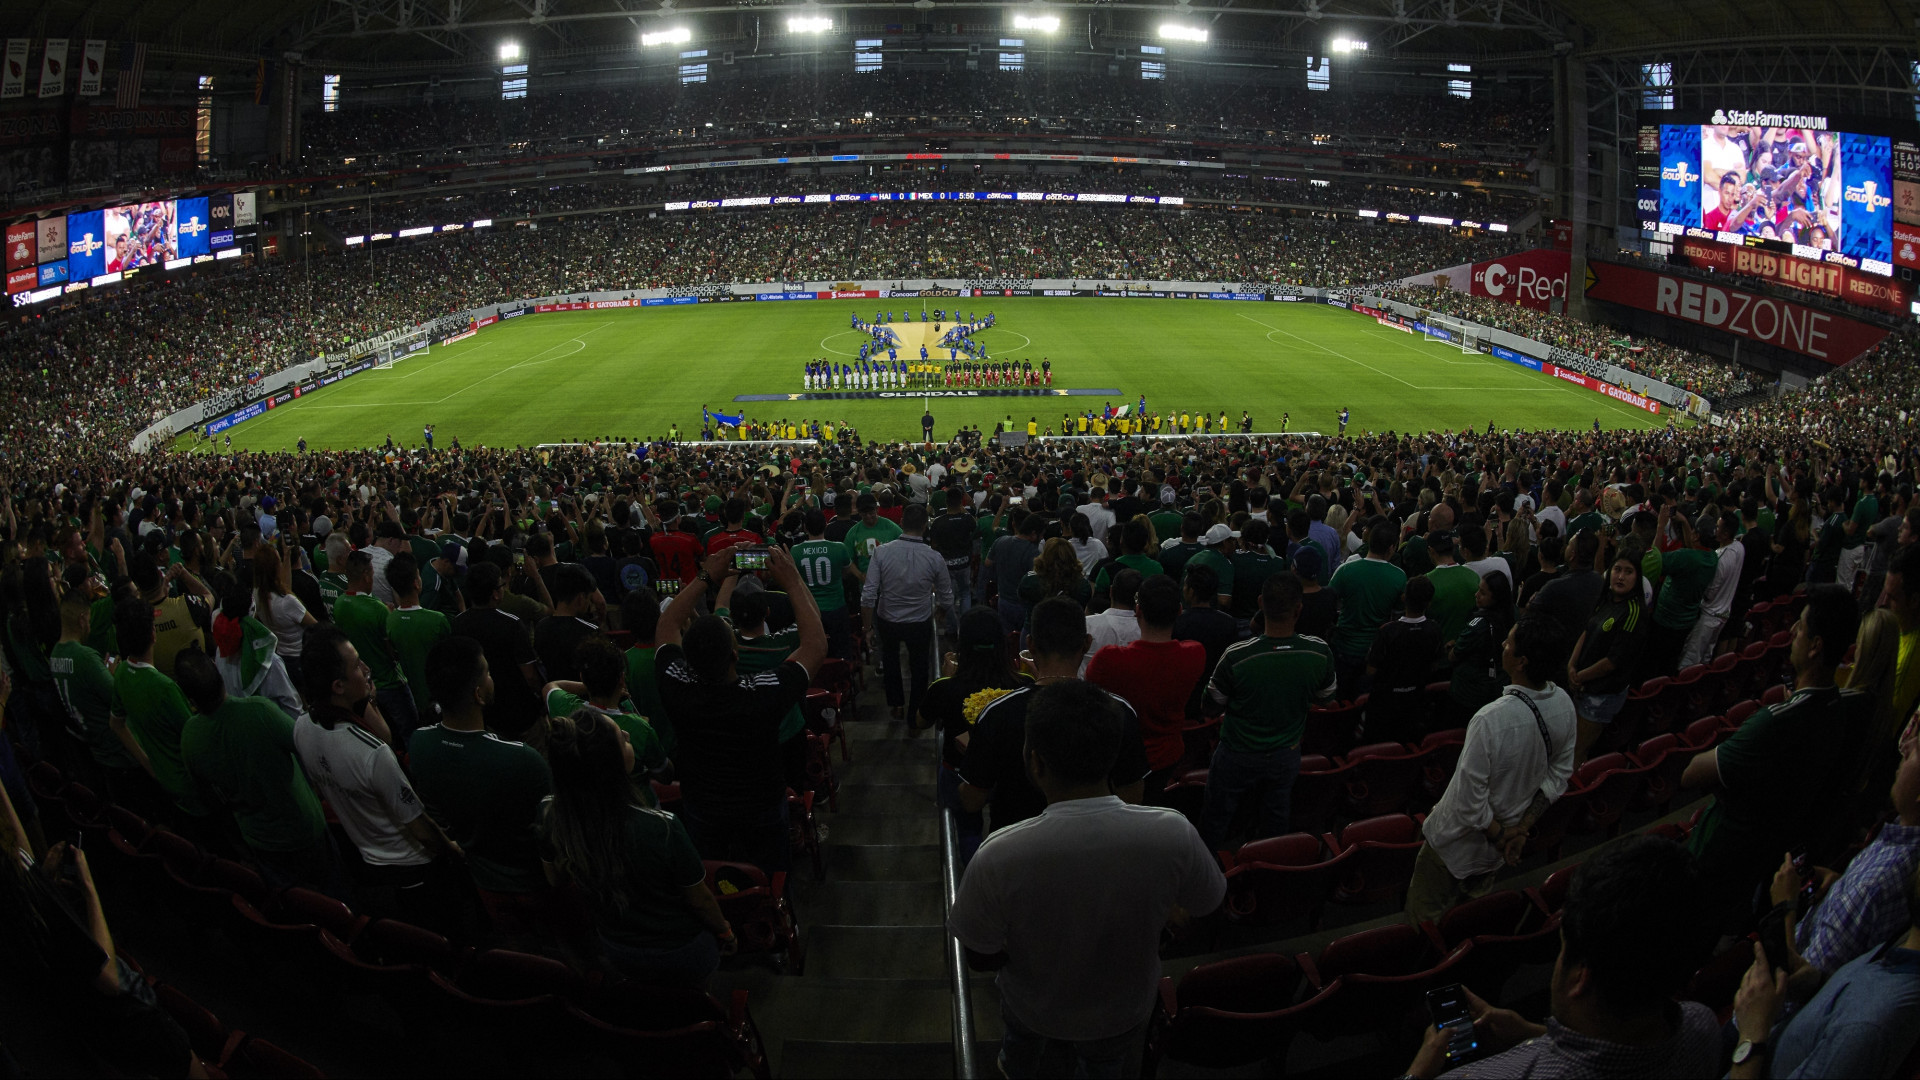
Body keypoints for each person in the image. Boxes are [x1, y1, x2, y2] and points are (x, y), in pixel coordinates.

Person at [948, 679, 1227, 1080]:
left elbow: (979, 955)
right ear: (1113, 757)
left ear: (1036, 762)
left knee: (1022, 1057)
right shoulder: (1172, 832)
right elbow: (1209, 908)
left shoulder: (999, 853)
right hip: (1123, 1008)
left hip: (1033, 1006)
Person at [1399, 836, 1720, 1079]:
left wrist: (1417, 1073)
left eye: (1563, 946)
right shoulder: (1702, 1027)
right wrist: (1528, 1032)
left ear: (1580, 977)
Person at [1683, 585, 1872, 920]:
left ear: (1816, 647)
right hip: (1763, 856)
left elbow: (1692, 773)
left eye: (1801, 626)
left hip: (1723, 857)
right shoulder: (1838, 708)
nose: (1794, 631)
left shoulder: (1775, 723)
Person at [656, 548, 824, 871]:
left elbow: (666, 624)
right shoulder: (762, 695)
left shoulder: (675, 685)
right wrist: (791, 581)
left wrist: (706, 577)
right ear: (733, 656)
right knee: (772, 872)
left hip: (702, 804)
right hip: (759, 805)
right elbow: (815, 643)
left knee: (712, 870)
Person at [540, 709, 736, 986]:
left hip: (617, 948)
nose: (628, 734)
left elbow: (554, 879)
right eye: (622, 738)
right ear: (613, 763)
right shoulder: (662, 827)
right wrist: (726, 931)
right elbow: (700, 900)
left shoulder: (549, 815)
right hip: (681, 951)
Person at [1407, 611, 1576, 922]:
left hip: (1454, 846)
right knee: (1469, 916)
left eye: (1509, 643)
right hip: (1499, 848)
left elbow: (1468, 802)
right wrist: (1519, 831)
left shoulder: (1491, 720)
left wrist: (1501, 836)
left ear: (1522, 661)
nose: (1502, 644)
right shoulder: (1564, 702)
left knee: (1426, 921)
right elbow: (1559, 776)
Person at [294, 625, 461, 924]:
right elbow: (422, 830)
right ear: (338, 686)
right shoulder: (371, 753)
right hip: (413, 866)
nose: (366, 669)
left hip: (366, 861)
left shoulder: (302, 728)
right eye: (357, 664)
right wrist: (451, 851)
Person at [958, 597, 1150, 834]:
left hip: (1018, 849)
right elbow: (1133, 798)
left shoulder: (997, 713)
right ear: (1087, 643)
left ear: (1031, 644)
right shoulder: (1118, 711)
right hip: (1097, 850)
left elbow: (971, 800)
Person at [410, 635, 555, 936]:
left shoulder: (419, 743)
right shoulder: (522, 759)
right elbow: (552, 834)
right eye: (488, 672)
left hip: (480, 882)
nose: (492, 678)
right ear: (478, 694)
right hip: (532, 884)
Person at [174, 648, 344, 897]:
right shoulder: (258, 712)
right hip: (302, 827)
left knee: (294, 902)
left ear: (189, 697)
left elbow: (208, 794)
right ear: (218, 675)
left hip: (258, 838)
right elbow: (306, 745)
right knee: (336, 895)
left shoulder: (190, 737)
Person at [1729, 863, 1920, 1079]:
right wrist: (1817, 985)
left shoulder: (1872, 1025)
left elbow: (1859, 1022)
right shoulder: (1903, 945)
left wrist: (1751, 1035)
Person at [1199, 572, 1337, 849]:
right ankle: (1271, 869)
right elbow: (1326, 698)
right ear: (1299, 608)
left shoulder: (1237, 656)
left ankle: (1208, 873)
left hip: (1236, 753)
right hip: (1285, 753)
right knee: (1276, 816)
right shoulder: (1319, 652)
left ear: (1260, 603)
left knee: (1216, 818)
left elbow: (1210, 707)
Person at [1087, 574, 1207, 799]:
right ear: (1179, 610)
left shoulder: (1109, 660)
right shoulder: (1195, 654)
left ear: (1138, 611)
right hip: (1168, 759)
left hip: (1119, 760)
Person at [863, 504, 954, 725]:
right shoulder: (934, 557)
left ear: (902, 523)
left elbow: (868, 594)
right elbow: (947, 595)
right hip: (919, 621)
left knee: (890, 660)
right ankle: (915, 713)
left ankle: (896, 704)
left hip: (888, 619)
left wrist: (867, 628)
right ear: (925, 527)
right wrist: (941, 610)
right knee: (920, 667)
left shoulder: (881, 552)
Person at [1566, 546, 1651, 764]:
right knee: (1570, 742)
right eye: (1617, 569)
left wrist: (1579, 676)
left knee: (1577, 750)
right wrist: (1571, 666)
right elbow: (1587, 630)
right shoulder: (1607, 598)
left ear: (1637, 576)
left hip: (1601, 694)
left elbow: (1612, 662)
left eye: (1628, 572)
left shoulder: (1633, 613)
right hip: (1582, 683)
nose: (1620, 576)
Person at [450, 561, 545, 739]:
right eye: (501, 585)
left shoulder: (458, 623)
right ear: (495, 594)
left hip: (481, 711)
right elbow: (530, 675)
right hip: (518, 711)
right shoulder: (512, 624)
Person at [1329, 521, 1408, 700]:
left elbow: (1329, 602)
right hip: (1375, 653)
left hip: (1344, 647)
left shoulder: (1346, 570)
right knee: (1366, 700)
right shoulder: (1399, 577)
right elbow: (1398, 617)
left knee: (1342, 698)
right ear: (1391, 548)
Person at [1364, 575, 1444, 744]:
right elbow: (1434, 665)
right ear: (1429, 603)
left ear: (1403, 598)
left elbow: (1371, 670)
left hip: (1385, 704)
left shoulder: (1388, 631)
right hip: (1415, 703)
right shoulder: (1434, 629)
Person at [385, 553, 450, 741]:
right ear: (416, 583)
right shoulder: (437, 620)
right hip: (438, 697)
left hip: (410, 699)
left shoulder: (391, 620)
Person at [1449, 571, 1516, 722]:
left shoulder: (1478, 625)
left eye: (1483, 593)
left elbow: (1454, 655)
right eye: (1478, 589)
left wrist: (1454, 647)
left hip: (1470, 694)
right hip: (1499, 688)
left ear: (1496, 598)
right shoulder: (1513, 614)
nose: (1476, 594)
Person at [533, 563, 605, 684]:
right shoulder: (590, 632)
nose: (589, 606)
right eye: (588, 599)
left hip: (553, 696)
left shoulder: (541, 627)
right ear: (581, 598)